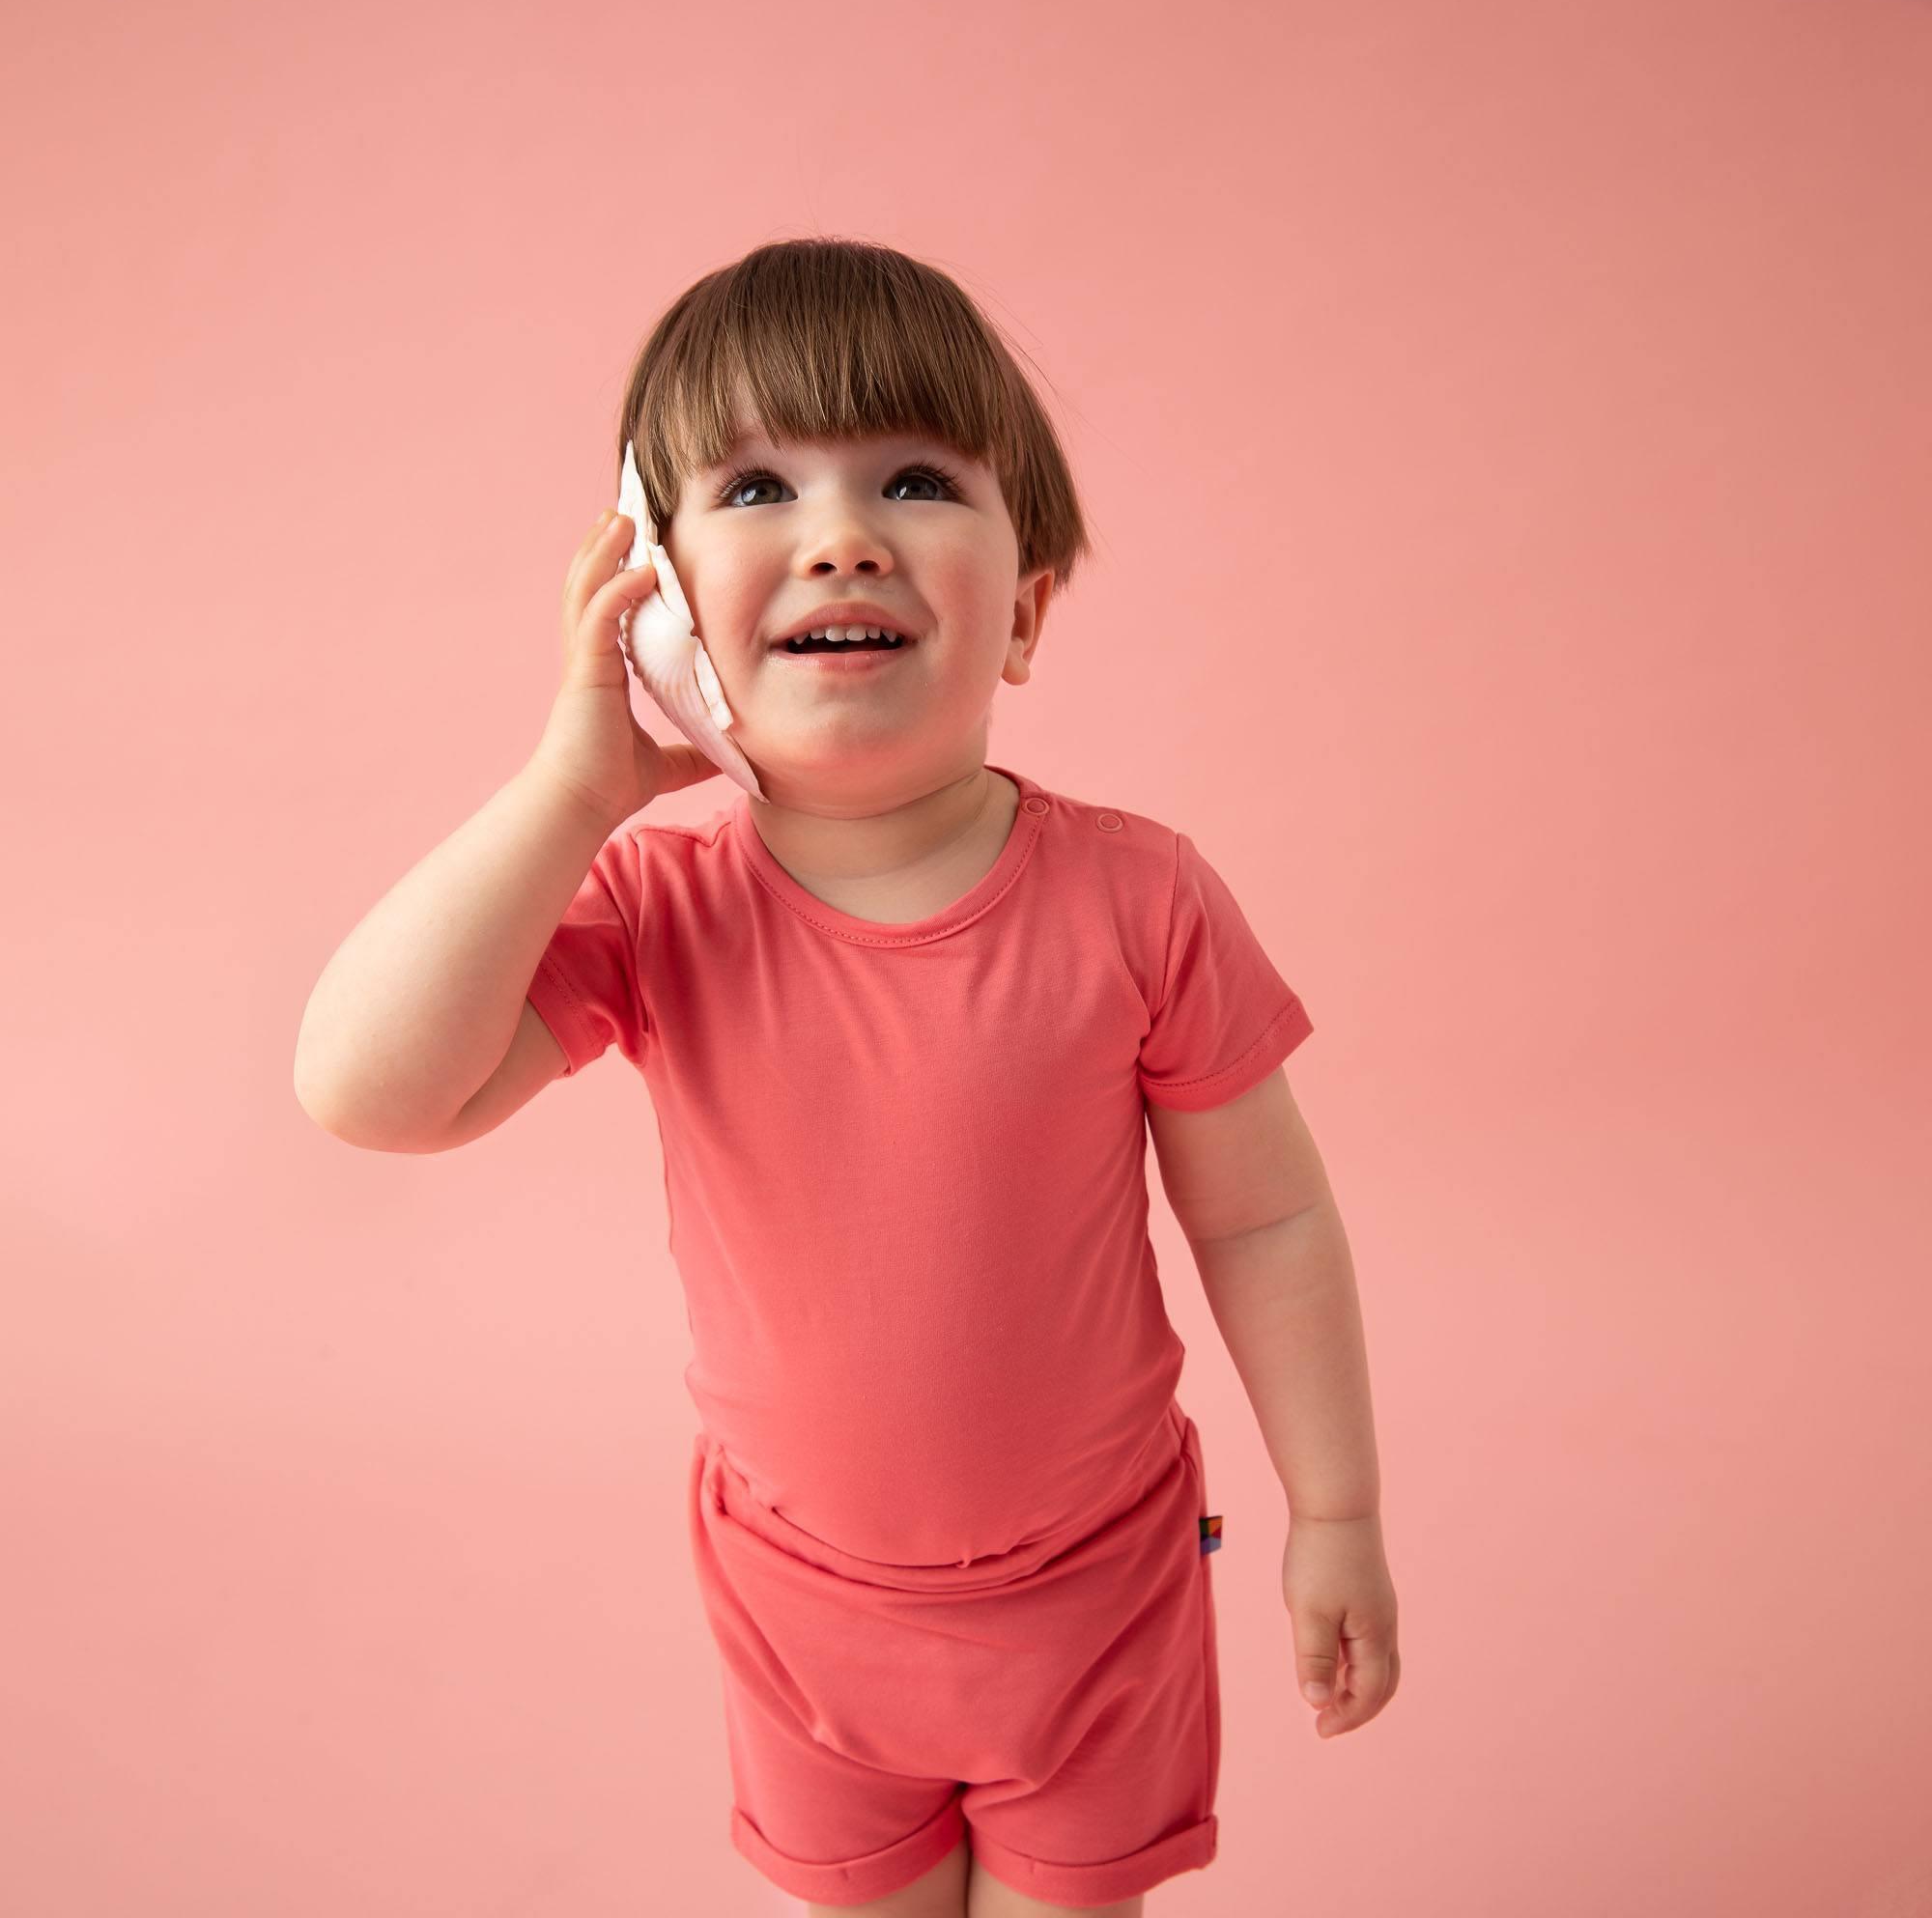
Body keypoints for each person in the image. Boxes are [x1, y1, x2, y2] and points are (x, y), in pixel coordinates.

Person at [294, 235, 1399, 1918]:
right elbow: (371, 1092)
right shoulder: (659, 907)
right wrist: (575, 783)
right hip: (802, 1606)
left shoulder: (1141, 897)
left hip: (1095, 1598)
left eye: (909, 477)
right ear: (656, 608)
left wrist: (1337, 1511)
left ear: (1022, 613)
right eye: (751, 487)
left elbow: (1265, 1224)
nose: (839, 534)